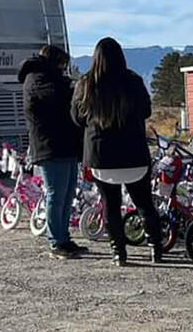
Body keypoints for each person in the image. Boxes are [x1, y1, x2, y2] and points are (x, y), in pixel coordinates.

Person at [71, 37, 163, 266]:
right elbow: (145, 110)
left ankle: (118, 253)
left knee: (110, 206)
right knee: (144, 204)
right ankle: (155, 247)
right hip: (134, 156)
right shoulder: (133, 81)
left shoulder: (86, 84)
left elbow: (77, 118)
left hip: (102, 158)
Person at [19, 45, 85, 259]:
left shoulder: (51, 78)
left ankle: (64, 237)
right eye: (61, 64)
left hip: (66, 145)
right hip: (50, 146)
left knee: (67, 195)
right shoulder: (36, 78)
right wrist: (74, 87)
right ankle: (55, 241)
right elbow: (57, 97)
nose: (63, 68)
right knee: (55, 195)